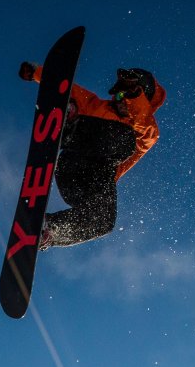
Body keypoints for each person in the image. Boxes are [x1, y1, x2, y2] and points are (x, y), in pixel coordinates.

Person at [18, 61, 165, 249]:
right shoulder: (96, 106)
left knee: (103, 220)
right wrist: (37, 73)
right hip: (74, 163)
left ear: (140, 103)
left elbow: (146, 128)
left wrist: (133, 96)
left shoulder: (144, 133)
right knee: (123, 139)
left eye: (125, 97)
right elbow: (70, 89)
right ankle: (69, 128)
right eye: (118, 95)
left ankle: (48, 229)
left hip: (92, 182)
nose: (120, 100)